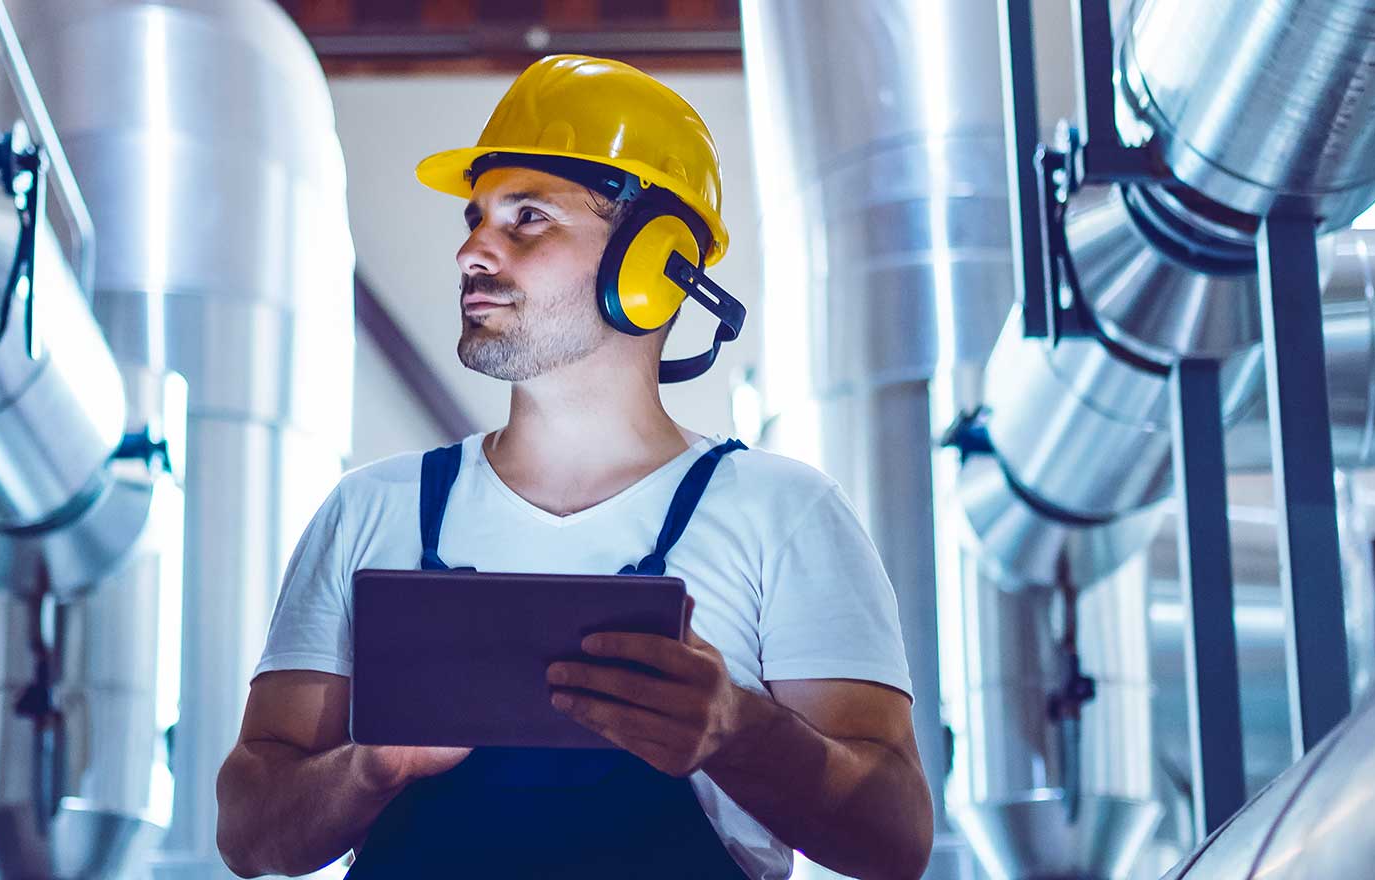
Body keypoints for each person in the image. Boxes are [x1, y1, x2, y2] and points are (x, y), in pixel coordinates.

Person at [212, 56, 933, 880]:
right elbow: (249, 836)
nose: (473, 251)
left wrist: (736, 730)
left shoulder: (785, 513)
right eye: (474, 217)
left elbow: (895, 841)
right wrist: (370, 768)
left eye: (526, 218)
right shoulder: (369, 510)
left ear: (653, 262)